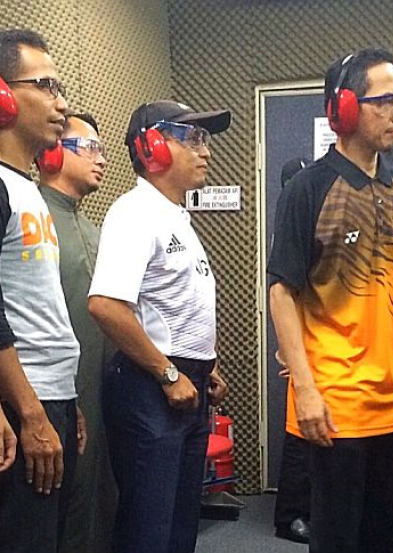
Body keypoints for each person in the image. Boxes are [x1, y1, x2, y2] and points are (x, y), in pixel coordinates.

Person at [268, 48, 393, 553]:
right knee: (337, 541)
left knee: (383, 540)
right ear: (346, 108)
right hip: (338, 401)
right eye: (386, 101)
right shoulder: (307, 189)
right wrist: (305, 388)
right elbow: (282, 291)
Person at [88, 100, 230, 553]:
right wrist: (168, 373)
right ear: (152, 146)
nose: (205, 150)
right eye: (193, 138)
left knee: (180, 525)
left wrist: (207, 366)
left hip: (186, 382)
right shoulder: (133, 213)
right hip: (151, 388)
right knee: (148, 530)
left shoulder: (175, 217)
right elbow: (106, 305)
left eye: (205, 139)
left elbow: (174, 303)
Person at [0, 29, 83, 553]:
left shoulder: (27, 188)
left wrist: (65, 401)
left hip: (51, 397)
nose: (62, 103)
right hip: (20, 403)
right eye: (46, 86)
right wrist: (29, 412)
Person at [38, 112, 118, 553]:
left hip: (100, 394)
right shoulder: (32, 220)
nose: (101, 159)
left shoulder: (94, 230)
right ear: (52, 153)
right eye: (89, 148)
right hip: (52, 397)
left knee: (98, 503)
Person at [272, 156, 312, 545]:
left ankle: (308, 510)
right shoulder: (289, 228)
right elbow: (283, 294)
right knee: (299, 434)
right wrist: (289, 348)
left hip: (319, 343)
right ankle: (289, 516)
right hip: (300, 344)